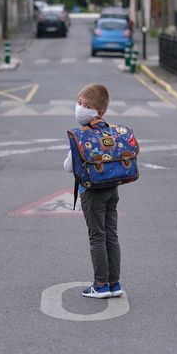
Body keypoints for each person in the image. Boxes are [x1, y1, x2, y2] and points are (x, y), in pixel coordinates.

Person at [64, 84, 123, 299]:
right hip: (112, 188)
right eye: (79, 103)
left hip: (91, 191)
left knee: (97, 237)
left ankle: (100, 285)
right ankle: (115, 283)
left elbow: (69, 167)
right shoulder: (112, 131)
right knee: (111, 236)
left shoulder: (81, 136)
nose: (80, 108)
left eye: (85, 105)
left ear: (99, 111)